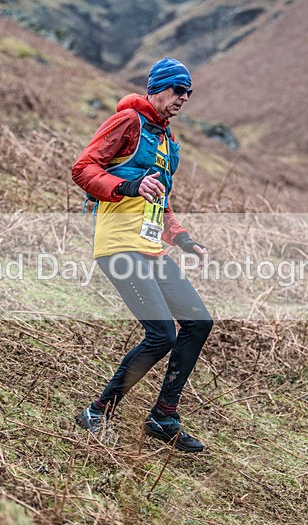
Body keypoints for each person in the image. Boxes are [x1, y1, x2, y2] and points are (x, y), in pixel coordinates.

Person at [71, 57, 213, 453]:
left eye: (188, 92)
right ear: (157, 87)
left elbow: (161, 201)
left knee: (199, 322)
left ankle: (163, 416)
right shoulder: (127, 122)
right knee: (161, 334)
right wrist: (128, 187)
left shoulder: (168, 142)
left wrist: (182, 239)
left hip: (150, 248)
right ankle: (98, 411)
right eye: (177, 89)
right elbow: (83, 168)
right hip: (118, 246)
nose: (183, 97)